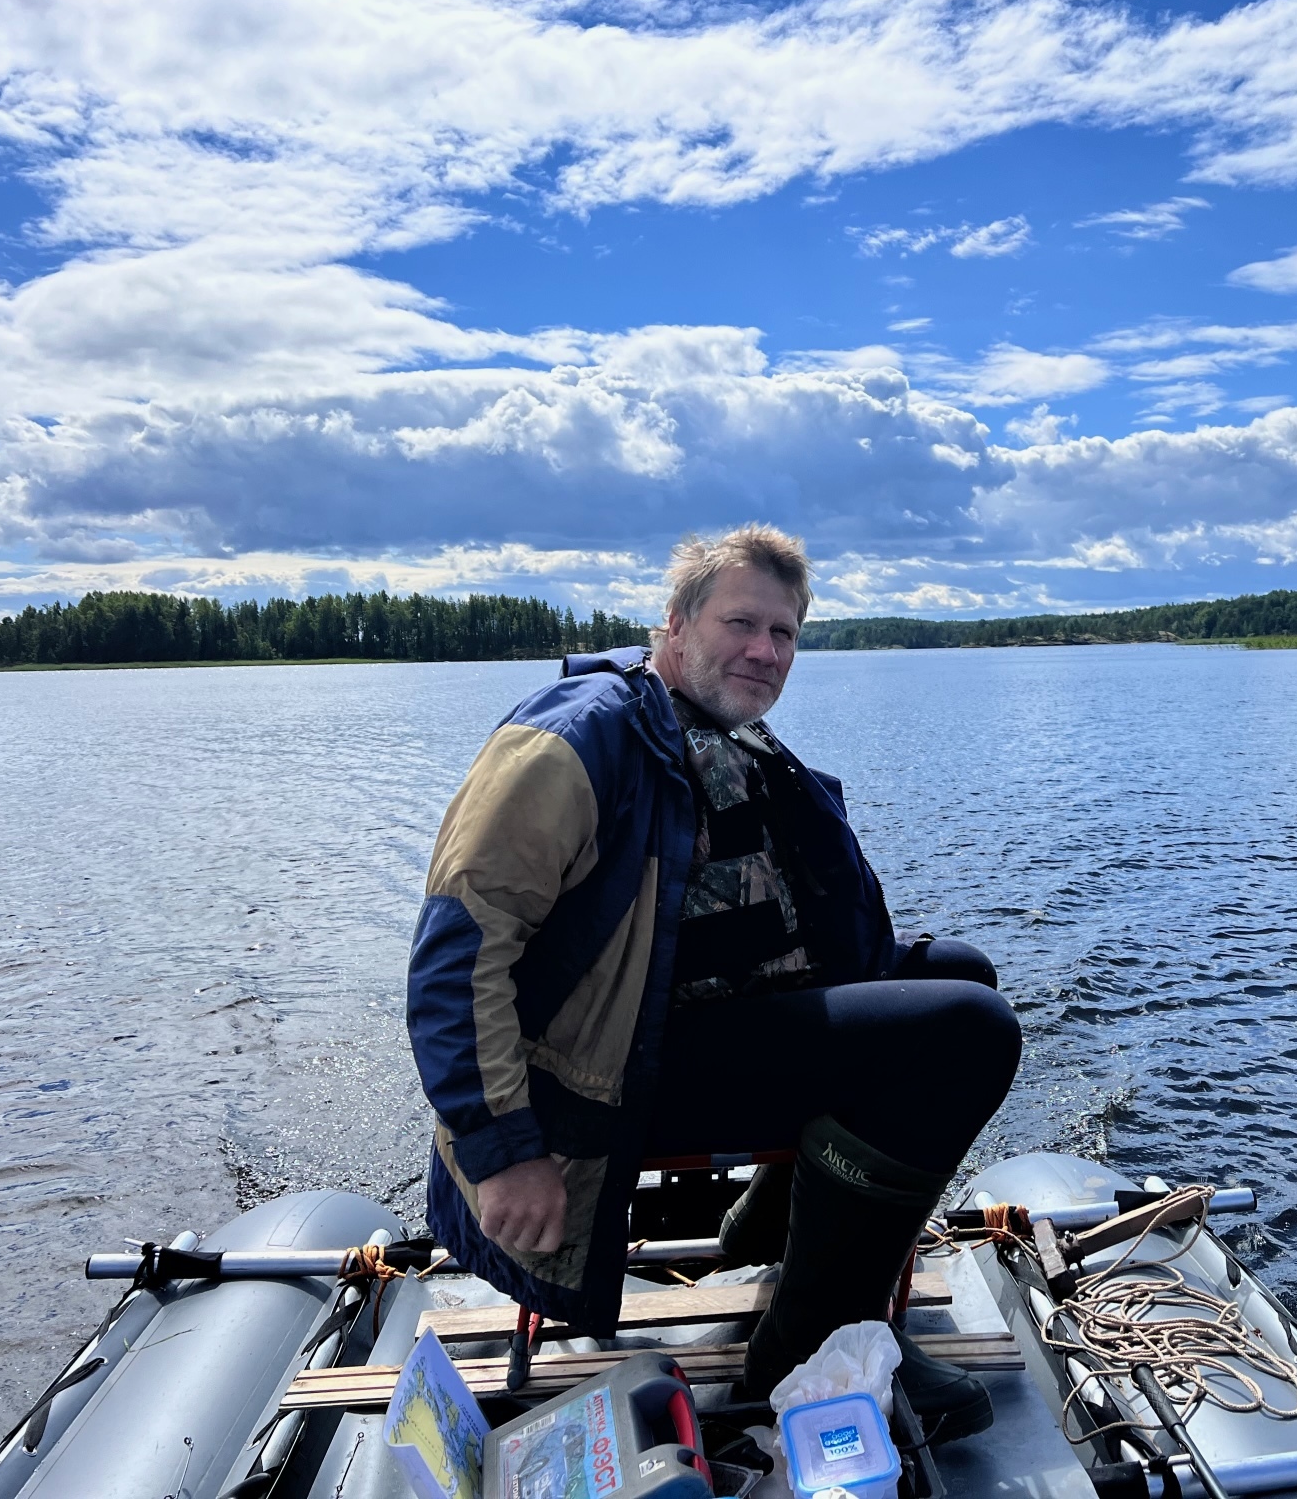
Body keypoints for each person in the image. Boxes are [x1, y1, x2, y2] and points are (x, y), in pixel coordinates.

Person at [406, 524, 1021, 1439]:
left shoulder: (704, 724)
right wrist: (504, 1153)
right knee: (969, 1030)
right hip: (607, 1081)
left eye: (784, 635)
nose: (765, 652)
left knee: (960, 976)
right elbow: (455, 956)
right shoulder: (572, 743)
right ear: (675, 622)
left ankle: (769, 1237)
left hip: (687, 1029)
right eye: (742, 623)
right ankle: (810, 1343)